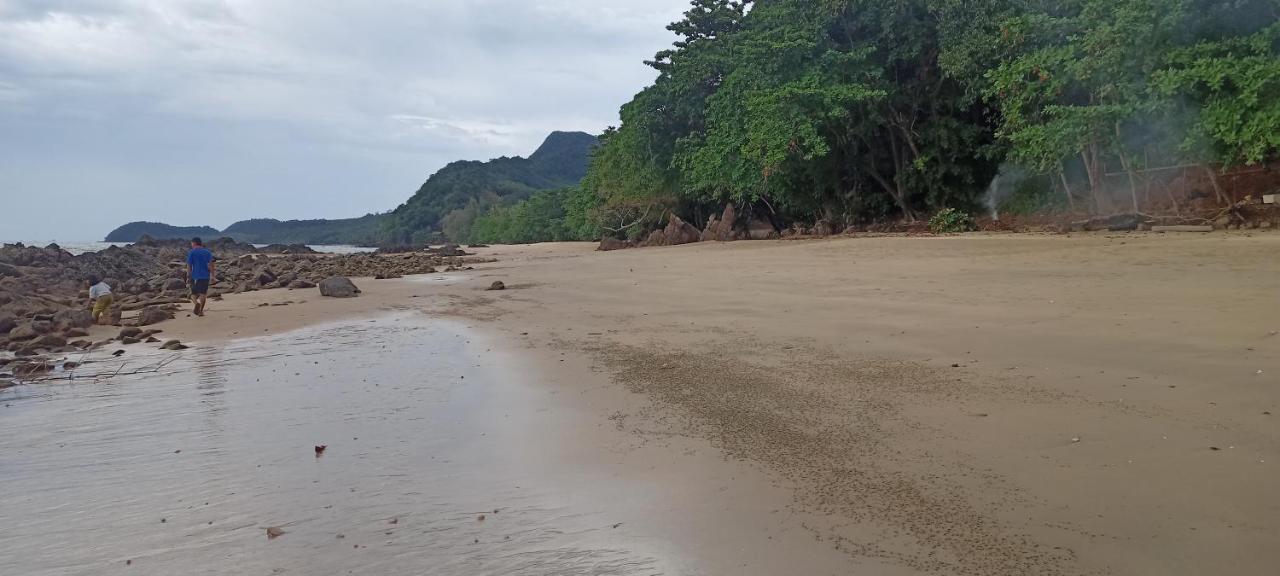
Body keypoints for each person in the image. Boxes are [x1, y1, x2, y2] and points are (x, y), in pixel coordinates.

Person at [186, 237, 216, 317]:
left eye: (191, 243)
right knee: (203, 294)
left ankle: (196, 303)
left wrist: (188, 276)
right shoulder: (207, 252)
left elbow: (189, 265)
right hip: (205, 276)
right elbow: (211, 264)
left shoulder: (192, 252)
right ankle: (201, 311)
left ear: (194, 243)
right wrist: (212, 276)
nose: (191, 245)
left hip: (195, 276)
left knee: (193, 293)